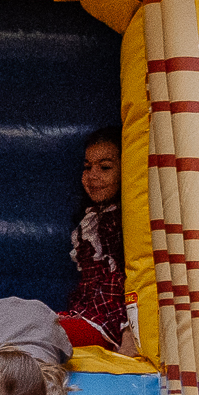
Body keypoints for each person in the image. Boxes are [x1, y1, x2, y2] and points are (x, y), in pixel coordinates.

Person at [60, 126, 140, 355]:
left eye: (104, 167)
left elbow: (130, 284)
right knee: (31, 318)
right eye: (87, 167)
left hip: (106, 326)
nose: (92, 176)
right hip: (86, 315)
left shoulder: (120, 222)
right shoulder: (94, 217)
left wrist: (127, 333)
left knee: (36, 328)